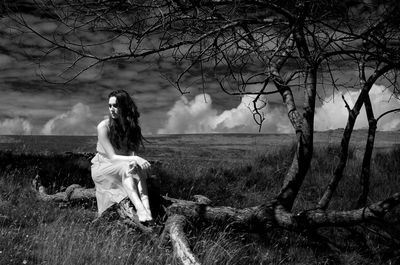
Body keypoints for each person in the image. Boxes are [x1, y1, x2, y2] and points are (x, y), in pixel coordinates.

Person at [91, 89, 153, 223]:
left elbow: (132, 152)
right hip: (103, 166)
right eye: (110, 106)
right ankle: (140, 209)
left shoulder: (133, 127)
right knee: (126, 168)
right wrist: (135, 159)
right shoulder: (103, 126)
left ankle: (147, 209)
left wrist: (134, 162)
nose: (112, 109)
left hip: (123, 162)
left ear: (124, 106)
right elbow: (112, 157)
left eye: (116, 105)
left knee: (138, 170)